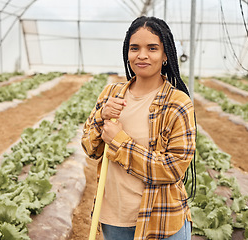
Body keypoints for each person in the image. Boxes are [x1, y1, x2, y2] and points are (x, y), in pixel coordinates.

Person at [81, 16, 197, 240]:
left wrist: (120, 142)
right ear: (127, 53)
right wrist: (100, 117)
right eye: (135, 48)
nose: (142, 55)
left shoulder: (178, 103)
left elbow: (172, 169)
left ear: (165, 55)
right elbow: (90, 149)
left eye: (152, 48)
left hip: (161, 221)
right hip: (114, 218)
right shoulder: (111, 94)